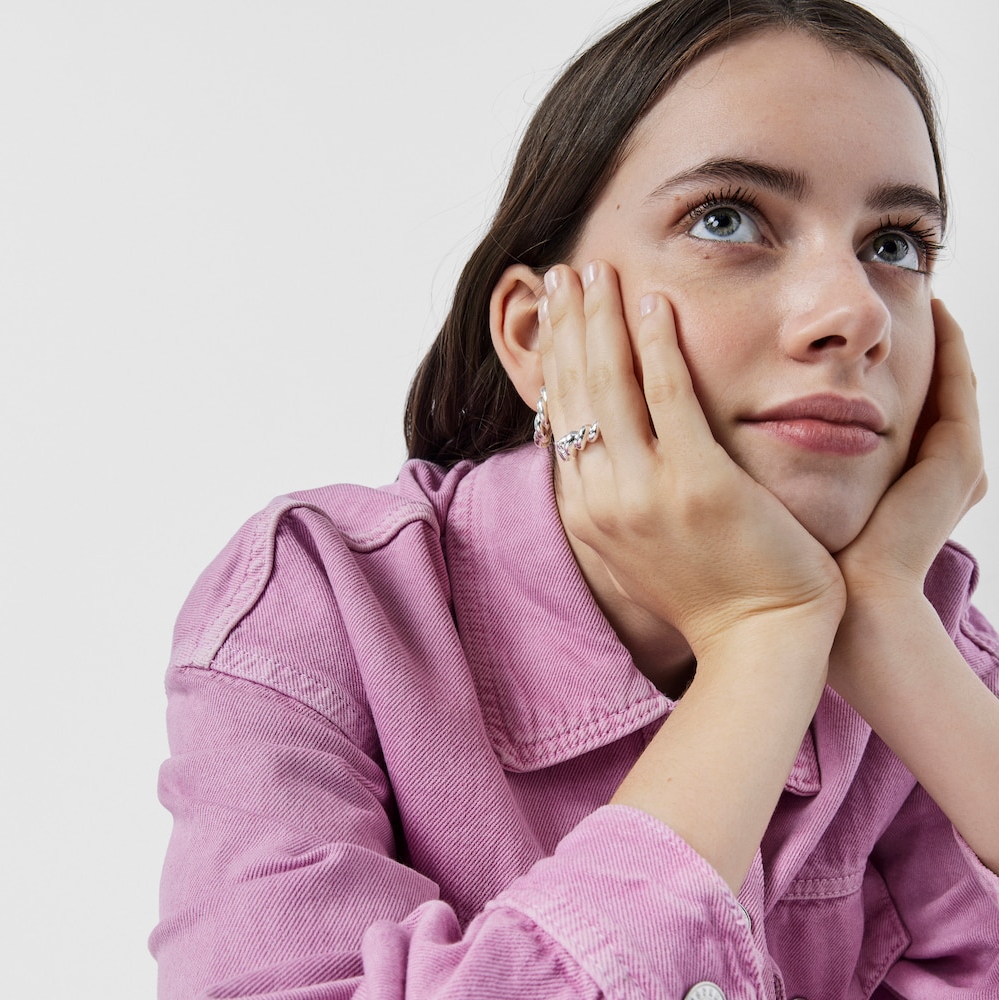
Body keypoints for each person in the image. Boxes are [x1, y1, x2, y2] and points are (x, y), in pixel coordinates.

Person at [151, 1, 999, 997]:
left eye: (893, 243)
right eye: (725, 218)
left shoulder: (925, 648)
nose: (855, 313)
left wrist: (899, 640)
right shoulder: (319, 604)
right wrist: (760, 638)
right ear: (535, 333)